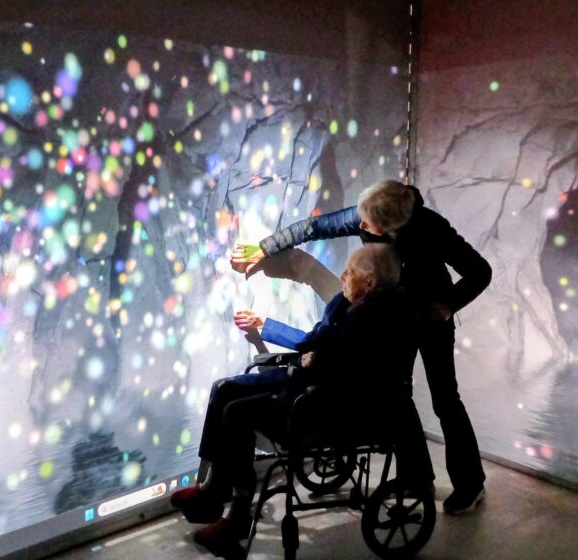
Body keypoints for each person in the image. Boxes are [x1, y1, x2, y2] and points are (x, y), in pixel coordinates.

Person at [231, 179, 492, 515]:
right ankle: (417, 477)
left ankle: (471, 483)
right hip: (389, 316)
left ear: (390, 226)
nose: (359, 225)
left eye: (366, 224)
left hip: (429, 317)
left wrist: (447, 305)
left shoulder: (432, 228)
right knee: (398, 393)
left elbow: (480, 271)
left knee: (445, 398)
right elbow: (314, 226)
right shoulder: (367, 214)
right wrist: (265, 248)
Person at [171, 244, 433, 555]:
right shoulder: (347, 302)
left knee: (236, 412)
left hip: (330, 405)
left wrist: (313, 361)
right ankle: (213, 489)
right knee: (225, 388)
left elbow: (342, 371)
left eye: (350, 271)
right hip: (312, 383)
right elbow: (314, 342)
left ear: (370, 283)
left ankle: (238, 515)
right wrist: (306, 355)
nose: (342, 275)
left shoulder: (377, 320)